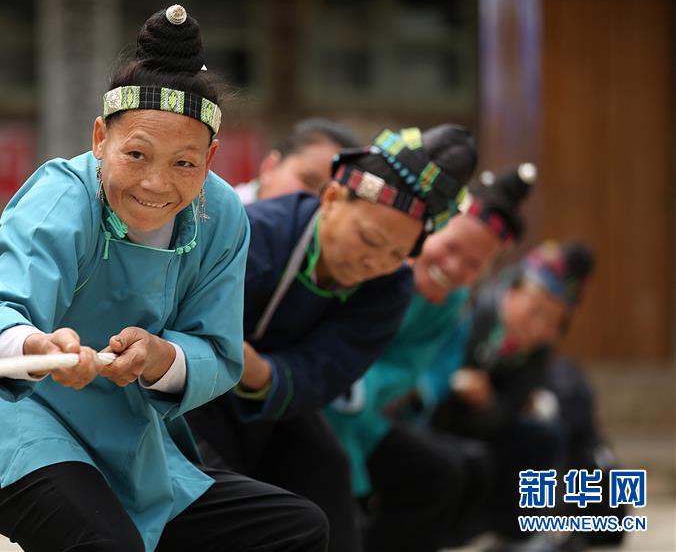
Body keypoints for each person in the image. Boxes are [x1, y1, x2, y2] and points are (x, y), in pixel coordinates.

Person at [0, 5, 328, 552]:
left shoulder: (223, 215)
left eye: (184, 163)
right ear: (100, 139)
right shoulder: (62, 195)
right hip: (15, 420)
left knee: (295, 529)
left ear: (210, 158)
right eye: (136, 154)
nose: (156, 183)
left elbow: (218, 351)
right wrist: (38, 346)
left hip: (130, 436)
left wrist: (161, 358)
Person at [188, 124, 477, 552]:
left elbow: (331, 368)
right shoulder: (258, 232)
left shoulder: (391, 285)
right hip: (194, 390)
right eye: (369, 239)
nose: (374, 262)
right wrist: (228, 359)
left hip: (275, 397)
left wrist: (262, 371)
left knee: (326, 469)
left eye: (396, 255)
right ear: (332, 198)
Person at [325, 162, 536, 552]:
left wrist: (405, 390)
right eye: (451, 248)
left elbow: (417, 365)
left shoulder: (453, 301)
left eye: (473, 265)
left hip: (369, 410)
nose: (454, 268)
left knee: (443, 473)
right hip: (317, 394)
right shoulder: (377, 259)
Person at [431, 240, 596, 542]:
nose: (539, 327)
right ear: (512, 291)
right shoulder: (470, 313)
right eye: (535, 312)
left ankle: (519, 535)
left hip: (483, 423)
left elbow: (509, 409)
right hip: (436, 418)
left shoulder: (536, 353)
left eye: (553, 323)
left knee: (546, 435)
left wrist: (487, 403)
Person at [234, 118, 361, 204]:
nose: (314, 201)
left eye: (332, 196)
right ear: (270, 166)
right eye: (308, 181)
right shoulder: (226, 216)